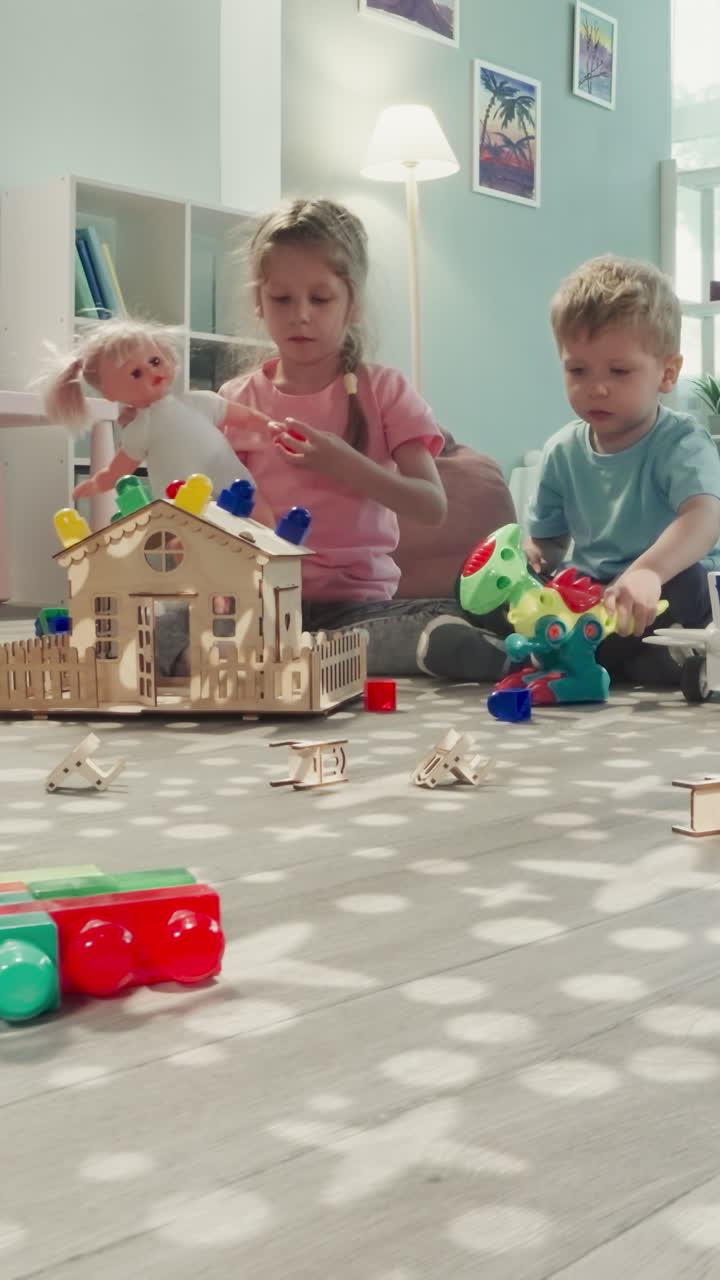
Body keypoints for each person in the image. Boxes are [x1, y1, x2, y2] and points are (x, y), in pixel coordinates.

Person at [159, 197, 505, 682]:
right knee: (154, 628)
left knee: (410, 628)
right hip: (257, 601)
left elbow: (431, 505)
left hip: (355, 605)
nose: (301, 315)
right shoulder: (235, 399)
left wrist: (348, 465)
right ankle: (287, 655)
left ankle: (291, 657)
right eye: (282, 299)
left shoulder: (384, 390)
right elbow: (213, 511)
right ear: (259, 303)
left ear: (353, 303)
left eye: (320, 299)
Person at [524, 254, 720, 684]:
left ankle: (601, 657)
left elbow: (703, 519)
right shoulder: (561, 449)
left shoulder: (681, 442)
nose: (596, 386)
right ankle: (620, 660)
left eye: (619, 371)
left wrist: (648, 572)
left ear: (667, 373)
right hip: (596, 594)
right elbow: (550, 540)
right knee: (525, 593)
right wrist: (534, 559)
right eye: (577, 369)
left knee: (690, 582)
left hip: (672, 590)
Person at [43, 317, 274, 521]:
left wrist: (270, 426)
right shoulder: (141, 429)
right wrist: (97, 484)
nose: (152, 372)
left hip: (232, 483)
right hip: (186, 504)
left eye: (154, 362)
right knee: (191, 546)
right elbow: (117, 470)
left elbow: (245, 417)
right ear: (111, 394)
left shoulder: (199, 402)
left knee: (263, 519)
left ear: (166, 356)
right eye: (136, 373)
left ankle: (274, 567)